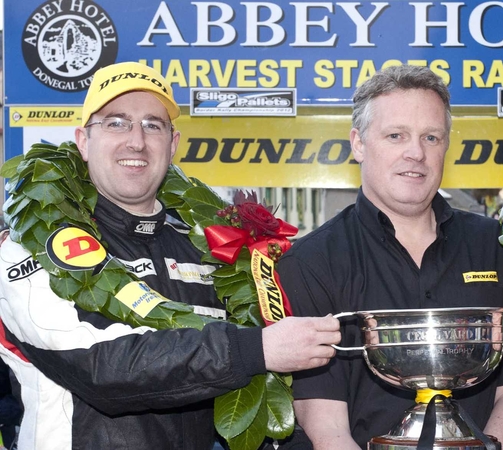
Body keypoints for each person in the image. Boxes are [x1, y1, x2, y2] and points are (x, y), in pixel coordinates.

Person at [0, 62, 341, 450]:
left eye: (152, 125)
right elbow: (100, 367)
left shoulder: (213, 245)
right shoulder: (29, 246)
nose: (136, 141)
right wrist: (256, 349)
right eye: (116, 123)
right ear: (83, 140)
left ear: (173, 143)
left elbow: (244, 393)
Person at [275, 65, 503, 449]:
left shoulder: (498, 245)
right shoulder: (309, 262)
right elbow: (326, 429)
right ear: (358, 143)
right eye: (395, 135)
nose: (415, 153)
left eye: (431, 137)